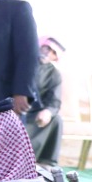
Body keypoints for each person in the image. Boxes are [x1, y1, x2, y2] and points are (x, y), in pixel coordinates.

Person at [26, 36, 64, 167]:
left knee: (56, 120)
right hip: (13, 108)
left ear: (55, 58)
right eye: (47, 48)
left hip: (33, 114)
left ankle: (45, 163)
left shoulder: (54, 74)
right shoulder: (23, 60)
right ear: (41, 46)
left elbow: (54, 102)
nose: (48, 53)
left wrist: (48, 112)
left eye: (53, 52)